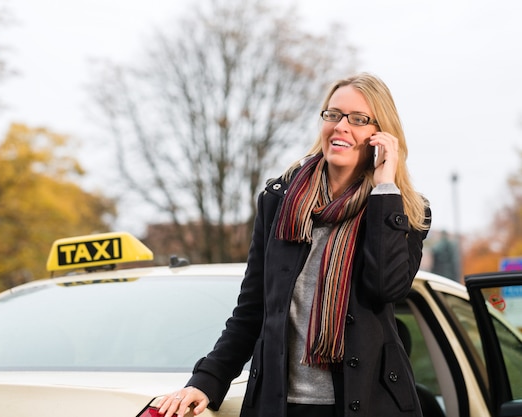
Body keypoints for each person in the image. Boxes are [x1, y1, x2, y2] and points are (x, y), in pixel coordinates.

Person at [157, 73, 431, 417]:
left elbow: (386, 287)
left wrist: (385, 191)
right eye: (333, 115)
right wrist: (206, 380)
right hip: (281, 405)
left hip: (366, 405)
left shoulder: (401, 210)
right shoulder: (279, 201)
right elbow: (254, 309)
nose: (341, 126)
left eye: (359, 120)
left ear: (382, 134)